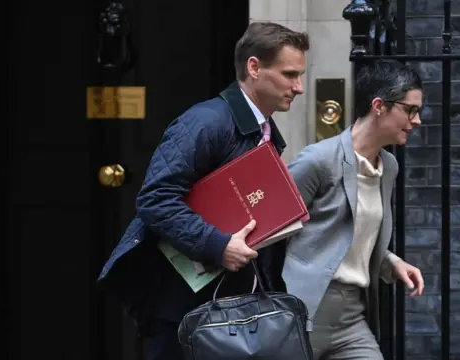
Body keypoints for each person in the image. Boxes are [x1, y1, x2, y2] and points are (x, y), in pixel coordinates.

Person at [97, 22, 308, 360]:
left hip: (229, 310)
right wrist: (218, 245)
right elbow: (156, 200)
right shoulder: (205, 122)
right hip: (187, 311)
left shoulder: (264, 130)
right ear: (254, 67)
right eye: (289, 75)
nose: (298, 87)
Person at [282, 60, 425, 360]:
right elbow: (275, 228)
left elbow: (351, 230)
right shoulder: (318, 161)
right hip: (306, 310)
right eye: (410, 109)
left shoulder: (389, 167)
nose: (417, 120)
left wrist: (390, 262)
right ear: (379, 106)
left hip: (351, 316)